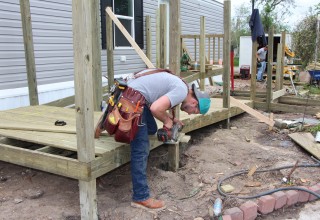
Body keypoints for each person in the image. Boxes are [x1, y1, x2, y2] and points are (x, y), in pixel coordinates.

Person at [125, 68, 211, 211]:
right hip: (132, 100)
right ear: (195, 103)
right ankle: (140, 197)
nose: (189, 113)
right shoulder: (181, 92)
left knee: (151, 129)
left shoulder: (181, 86)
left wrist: (172, 119)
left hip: (133, 95)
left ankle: (128, 129)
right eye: (193, 112)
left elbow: (157, 104)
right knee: (140, 150)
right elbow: (155, 109)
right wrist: (167, 121)